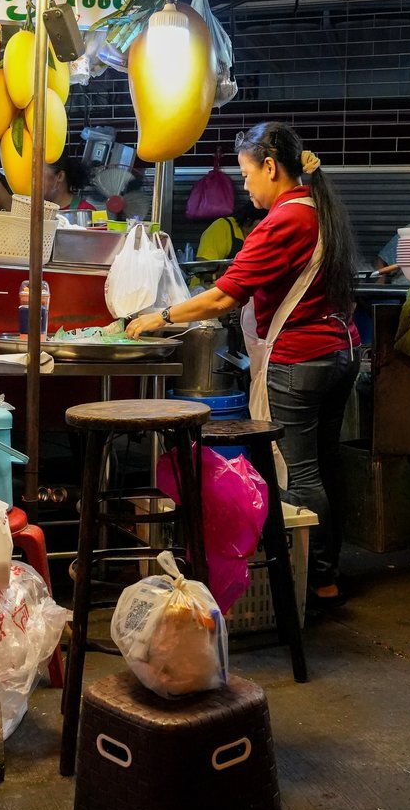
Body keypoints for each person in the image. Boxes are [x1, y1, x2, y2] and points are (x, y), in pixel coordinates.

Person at [128, 121, 360, 608]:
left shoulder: (284, 221)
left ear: (271, 167)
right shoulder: (321, 210)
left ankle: (313, 582)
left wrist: (161, 316)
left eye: (247, 173)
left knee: (299, 475)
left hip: (299, 360)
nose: (245, 185)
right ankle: (326, 574)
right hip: (339, 353)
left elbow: (222, 298)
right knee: (324, 466)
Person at [196, 201, 262, 262]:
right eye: (262, 223)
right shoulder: (222, 227)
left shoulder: (261, 239)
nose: (264, 228)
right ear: (248, 220)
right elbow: (204, 263)